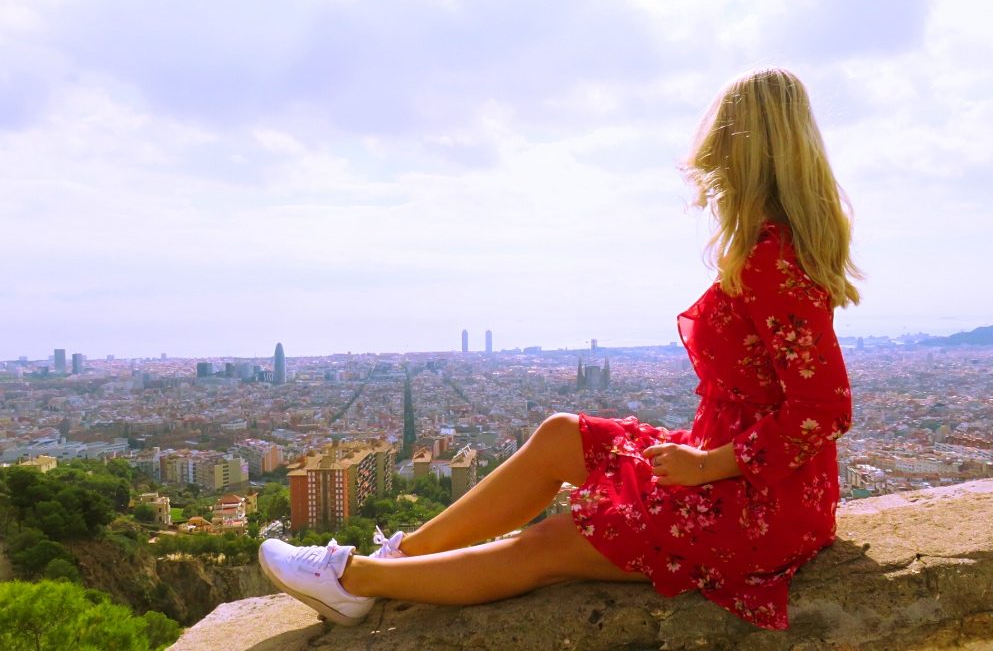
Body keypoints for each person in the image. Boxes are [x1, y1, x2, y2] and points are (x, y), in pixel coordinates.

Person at [258, 67, 860, 631]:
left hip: (760, 506)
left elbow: (823, 409)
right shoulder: (771, 250)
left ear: (748, 155)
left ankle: (353, 580)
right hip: (739, 476)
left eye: (724, 153)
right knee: (560, 436)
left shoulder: (770, 260)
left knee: (550, 544)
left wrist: (706, 466)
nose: (713, 168)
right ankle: (399, 556)